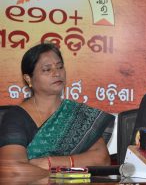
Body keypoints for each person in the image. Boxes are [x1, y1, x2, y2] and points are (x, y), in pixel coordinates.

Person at [0, 43, 114, 176]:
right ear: (28, 78)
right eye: (47, 69)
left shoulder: (78, 114)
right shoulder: (16, 117)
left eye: (60, 67)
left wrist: (49, 163)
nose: (56, 73)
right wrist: (69, 169)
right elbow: (14, 172)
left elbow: (102, 159)